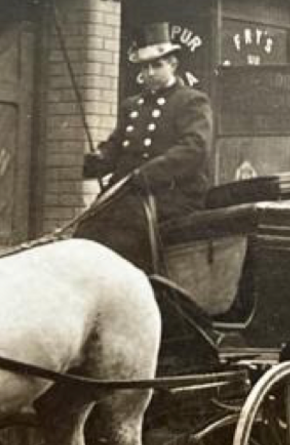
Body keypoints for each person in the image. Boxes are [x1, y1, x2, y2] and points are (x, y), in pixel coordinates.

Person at [78, 22, 213, 269]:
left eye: (157, 65)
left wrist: (148, 173)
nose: (150, 72)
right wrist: (95, 161)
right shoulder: (132, 105)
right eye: (145, 66)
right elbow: (116, 147)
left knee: (123, 234)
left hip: (171, 195)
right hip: (127, 193)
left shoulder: (191, 101)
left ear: (173, 64)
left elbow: (195, 149)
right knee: (86, 229)